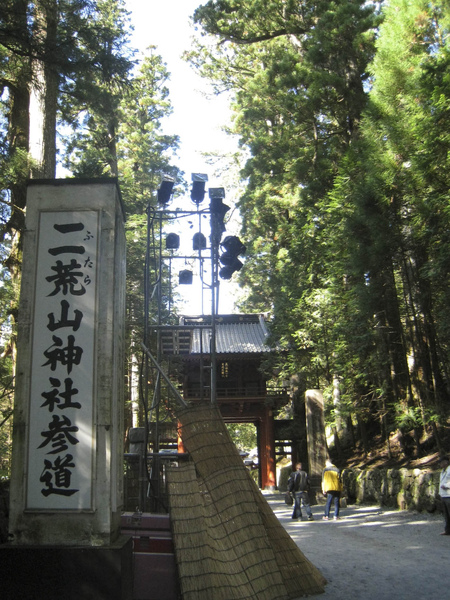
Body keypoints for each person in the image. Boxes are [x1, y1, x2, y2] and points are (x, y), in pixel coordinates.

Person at [439, 454, 450, 536]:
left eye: (441, 462)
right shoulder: (442, 472)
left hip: (449, 494)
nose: (440, 464)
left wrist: (446, 486)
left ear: (446, 462)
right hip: (443, 495)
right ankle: (447, 530)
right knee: (446, 515)